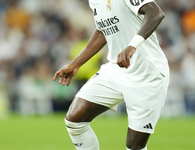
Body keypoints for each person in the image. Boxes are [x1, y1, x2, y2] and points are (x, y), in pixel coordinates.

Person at [53, 0, 169, 149]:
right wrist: (75, 64)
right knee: (75, 118)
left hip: (147, 75)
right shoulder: (95, 2)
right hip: (116, 69)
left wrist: (132, 45)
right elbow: (102, 31)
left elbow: (155, 13)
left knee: (134, 146)